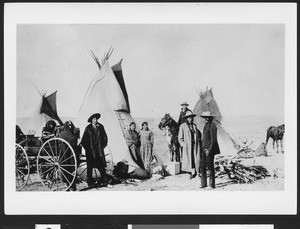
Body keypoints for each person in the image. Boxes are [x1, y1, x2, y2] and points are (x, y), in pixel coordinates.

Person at [80, 113, 108, 187]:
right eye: (94, 119)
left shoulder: (101, 127)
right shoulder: (88, 128)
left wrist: (101, 146)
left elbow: (105, 137)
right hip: (90, 151)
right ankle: (90, 180)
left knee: (101, 165)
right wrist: (88, 149)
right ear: (91, 120)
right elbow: (84, 140)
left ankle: (103, 179)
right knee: (90, 166)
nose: (96, 120)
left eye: (96, 119)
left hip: (99, 150)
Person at [178, 110, 202, 179]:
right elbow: (180, 138)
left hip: (194, 145)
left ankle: (197, 172)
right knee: (189, 160)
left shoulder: (194, 126)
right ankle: (191, 173)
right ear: (186, 119)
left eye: (191, 118)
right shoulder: (182, 126)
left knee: (196, 159)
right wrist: (183, 145)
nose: (190, 119)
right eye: (188, 118)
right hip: (187, 147)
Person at [200, 111, 220, 189]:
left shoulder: (212, 126)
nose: (205, 119)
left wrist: (209, 150)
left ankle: (211, 185)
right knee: (202, 167)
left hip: (209, 150)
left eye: (207, 118)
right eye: (204, 118)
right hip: (203, 150)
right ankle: (203, 184)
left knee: (210, 167)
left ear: (210, 118)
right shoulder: (205, 126)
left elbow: (213, 140)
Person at [59, 120, 79, 191]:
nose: (70, 127)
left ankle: (73, 185)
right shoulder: (62, 133)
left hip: (72, 153)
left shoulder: (73, 132)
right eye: (68, 126)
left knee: (73, 169)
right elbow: (72, 139)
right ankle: (68, 184)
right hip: (65, 154)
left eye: (71, 125)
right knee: (66, 169)